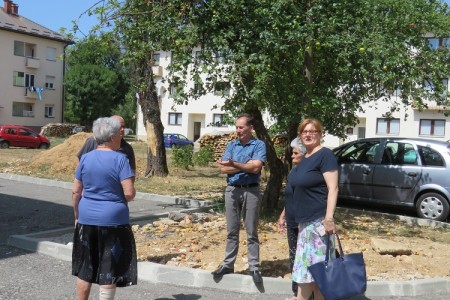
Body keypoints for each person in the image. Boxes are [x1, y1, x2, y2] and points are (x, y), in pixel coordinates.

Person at [71, 117, 137, 300]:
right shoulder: (121, 159)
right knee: (109, 267)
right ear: (112, 137)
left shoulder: (85, 158)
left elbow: (76, 191)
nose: (120, 135)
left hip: (86, 218)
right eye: (118, 132)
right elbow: (129, 193)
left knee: (85, 268)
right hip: (113, 221)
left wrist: (77, 215)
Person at [212, 113, 267, 283]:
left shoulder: (259, 145)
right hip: (232, 190)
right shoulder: (232, 145)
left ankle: (254, 267)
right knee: (232, 230)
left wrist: (234, 164)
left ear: (251, 128)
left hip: (251, 191)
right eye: (236, 127)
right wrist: (245, 166)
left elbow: (256, 168)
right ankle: (228, 264)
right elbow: (222, 169)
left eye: (241, 127)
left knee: (251, 231)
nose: (238, 130)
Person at [289, 118, 339, 300]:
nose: (308, 134)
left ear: (320, 134)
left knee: (311, 274)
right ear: (300, 135)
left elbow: (333, 188)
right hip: (305, 225)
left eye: (313, 131)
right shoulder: (306, 158)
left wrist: (329, 218)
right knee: (318, 277)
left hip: (318, 225)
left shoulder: (325, 155)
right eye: (304, 132)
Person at [278, 137, 306, 300]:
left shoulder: (308, 173)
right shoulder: (293, 171)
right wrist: (282, 215)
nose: (292, 156)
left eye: (295, 153)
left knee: (304, 259)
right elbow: (290, 196)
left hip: (304, 221)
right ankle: (296, 293)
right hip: (292, 219)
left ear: (304, 154)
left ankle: (305, 294)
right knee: (294, 257)